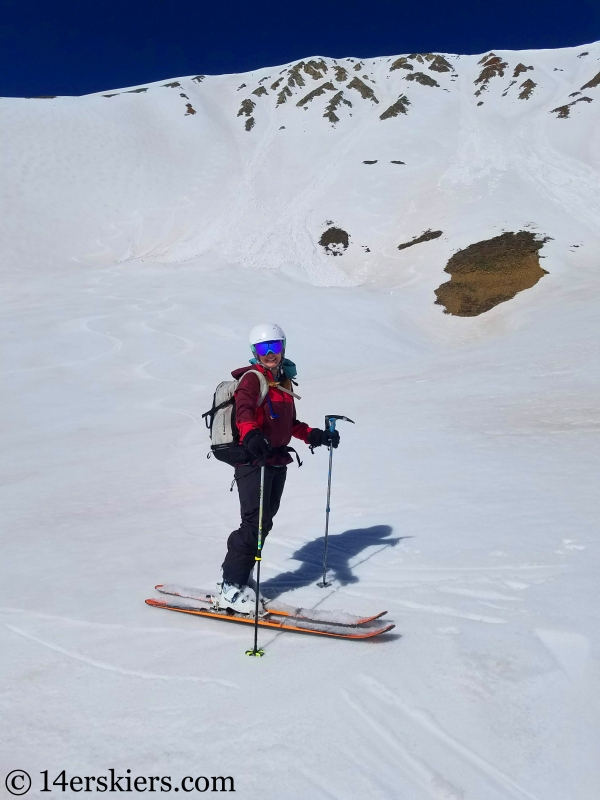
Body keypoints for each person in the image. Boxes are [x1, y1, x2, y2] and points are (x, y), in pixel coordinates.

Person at [215, 322, 340, 613]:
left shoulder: (283, 382)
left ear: (283, 347)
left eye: (274, 346)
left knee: (264, 522)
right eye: (263, 348)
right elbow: (244, 411)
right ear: (254, 352)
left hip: (275, 460)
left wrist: (315, 436)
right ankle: (230, 587)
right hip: (252, 460)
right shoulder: (252, 379)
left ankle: (240, 579)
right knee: (253, 524)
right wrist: (251, 434)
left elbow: (289, 424)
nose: (269, 353)